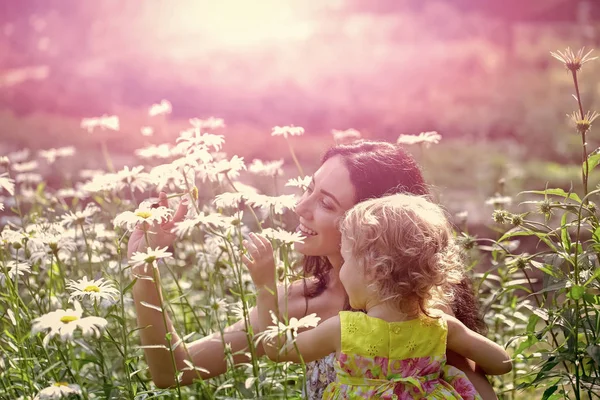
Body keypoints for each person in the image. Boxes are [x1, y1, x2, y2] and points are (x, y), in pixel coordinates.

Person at [127, 140, 498, 398]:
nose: (300, 207)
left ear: (374, 224)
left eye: (326, 202)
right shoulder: (296, 301)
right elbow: (173, 371)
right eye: (309, 188)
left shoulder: (418, 316)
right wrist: (144, 268)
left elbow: (477, 392)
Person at [243, 194, 512, 399]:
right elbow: (502, 363)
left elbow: (277, 350)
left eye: (346, 260)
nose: (342, 269)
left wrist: (265, 287)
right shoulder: (440, 327)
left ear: (374, 269)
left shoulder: (345, 329)